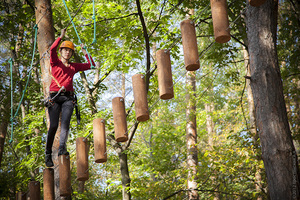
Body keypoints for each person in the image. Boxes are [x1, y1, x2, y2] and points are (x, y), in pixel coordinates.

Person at [45, 29, 95, 167]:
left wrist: (85, 52)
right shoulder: (55, 62)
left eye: (70, 51)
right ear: (61, 52)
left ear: (72, 53)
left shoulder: (73, 67)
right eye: (65, 50)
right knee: (54, 125)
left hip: (68, 98)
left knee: (66, 123)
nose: (67, 52)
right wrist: (60, 37)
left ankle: (62, 149)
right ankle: (48, 153)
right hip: (54, 97)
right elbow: (52, 50)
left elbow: (91, 65)